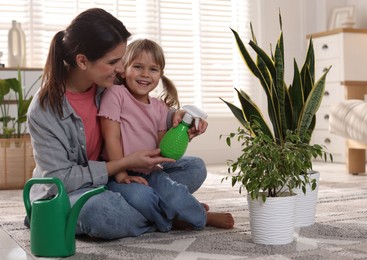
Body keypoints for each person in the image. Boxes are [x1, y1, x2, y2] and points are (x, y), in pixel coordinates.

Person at [25, 8, 216, 240]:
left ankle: (154, 209)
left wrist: (177, 117)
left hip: (121, 177)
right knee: (101, 212)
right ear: (83, 61)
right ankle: (171, 215)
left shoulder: (108, 80)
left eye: (123, 61)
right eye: (114, 62)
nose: (120, 70)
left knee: (193, 167)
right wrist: (121, 166)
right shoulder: (45, 109)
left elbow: (143, 105)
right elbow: (60, 180)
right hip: (74, 191)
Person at [97, 38, 234, 231]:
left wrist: (184, 133)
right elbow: (111, 137)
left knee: (175, 192)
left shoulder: (160, 108)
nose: (145, 74)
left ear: (160, 74)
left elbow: (163, 151)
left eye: (153, 69)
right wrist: (121, 174)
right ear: (124, 68)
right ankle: (184, 216)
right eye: (137, 66)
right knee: (141, 197)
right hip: (118, 171)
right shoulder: (116, 94)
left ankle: (183, 211)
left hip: (150, 170)